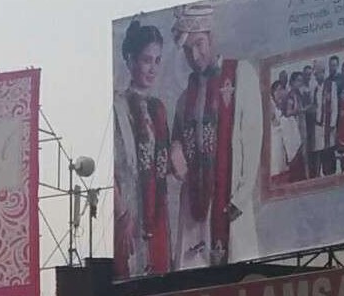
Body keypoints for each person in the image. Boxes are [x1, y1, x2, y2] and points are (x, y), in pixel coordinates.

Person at [169, 2, 262, 269]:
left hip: (228, 198)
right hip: (195, 206)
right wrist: (175, 148)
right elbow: (177, 142)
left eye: (199, 45)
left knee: (237, 276)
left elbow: (253, 138)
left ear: (212, 38)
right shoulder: (185, 97)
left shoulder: (240, 74)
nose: (195, 56)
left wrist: (241, 197)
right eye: (188, 51)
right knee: (194, 281)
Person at [112, 20, 173, 277]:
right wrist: (121, 212)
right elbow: (112, 169)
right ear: (130, 59)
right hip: (128, 211)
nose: (152, 68)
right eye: (147, 60)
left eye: (157, 61)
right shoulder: (117, 105)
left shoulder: (159, 108)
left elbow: (166, 165)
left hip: (157, 211)